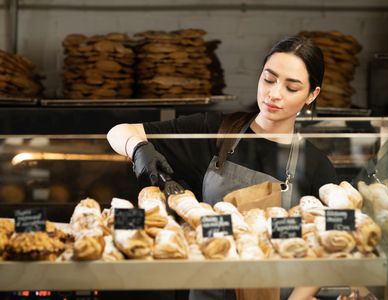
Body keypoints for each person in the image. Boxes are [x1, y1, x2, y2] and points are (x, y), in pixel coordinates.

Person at [107, 35, 338, 300]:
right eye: (269, 79)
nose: (274, 94)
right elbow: (118, 131)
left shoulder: (316, 165)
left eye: (291, 88)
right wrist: (137, 148)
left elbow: (331, 245)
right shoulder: (216, 131)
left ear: (312, 95)